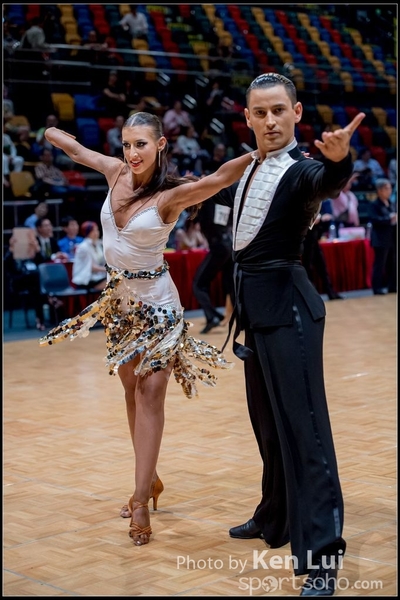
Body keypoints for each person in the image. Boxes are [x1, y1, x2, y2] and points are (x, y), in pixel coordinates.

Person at [38, 112, 254, 546]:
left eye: (141, 144)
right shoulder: (115, 172)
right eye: (126, 144)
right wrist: (51, 132)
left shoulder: (170, 196)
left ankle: (139, 500)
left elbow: (217, 179)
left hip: (158, 307)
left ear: (160, 144)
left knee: (150, 393)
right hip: (119, 307)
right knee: (130, 392)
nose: (132, 153)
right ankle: (149, 478)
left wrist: (258, 154)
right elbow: (75, 150)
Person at [209, 73, 365, 596]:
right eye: (260, 112)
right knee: (268, 426)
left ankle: (322, 557)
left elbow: (326, 180)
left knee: (306, 433)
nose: (270, 121)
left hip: (289, 311)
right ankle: (273, 515)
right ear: (247, 117)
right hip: (257, 312)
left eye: (279, 110)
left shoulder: (301, 170)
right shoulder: (250, 165)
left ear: (296, 113)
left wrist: (340, 162)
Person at [193, 185, 236, 334]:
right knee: (230, 284)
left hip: (218, 246)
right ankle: (244, 319)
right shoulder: (225, 199)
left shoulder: (206, 199)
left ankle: (212, 317)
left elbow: (194, 216)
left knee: (198, 284)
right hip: (228, 244)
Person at [369, 178, 397, 295]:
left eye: (390, 188)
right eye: (387, 188)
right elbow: (374, 220)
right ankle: (377, 287)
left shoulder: (391, 203)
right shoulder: (374, 204)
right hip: (380, 239)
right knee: (380, 264)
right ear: (379, 190)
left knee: (393, 263)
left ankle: (392, 286)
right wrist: (389, 219)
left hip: (392, 238)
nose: (389, 191)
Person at [71, 221, 107, 290]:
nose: (96, 233)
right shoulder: (83, 247)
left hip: (97, 277)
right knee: (113, 283)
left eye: (97, 230)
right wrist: (108, 270)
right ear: (87, 232)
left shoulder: (98, 245)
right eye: (93, 231)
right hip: (85, 278)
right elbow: (92, 267)